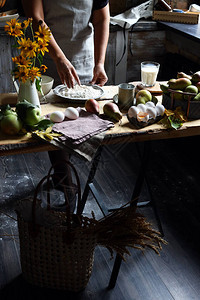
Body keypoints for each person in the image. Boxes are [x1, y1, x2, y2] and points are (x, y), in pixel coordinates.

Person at [21, 0, 110, 211]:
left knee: (74, 123)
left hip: (85, 62)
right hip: (48, 61)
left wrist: (100, 62)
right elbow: (36, 18)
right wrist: (59, 58)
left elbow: (101, 17)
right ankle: (66, 182)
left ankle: (62, 176)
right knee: (51, 125)